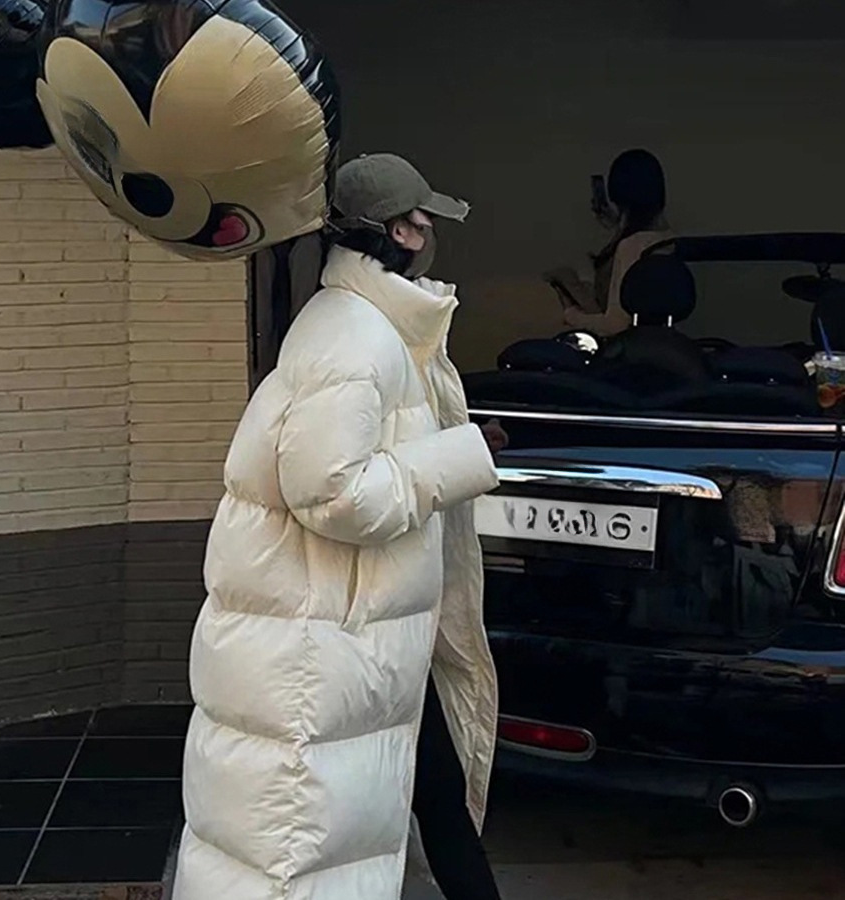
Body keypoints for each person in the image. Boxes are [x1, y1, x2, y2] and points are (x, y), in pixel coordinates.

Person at [172, 153, 505, 900]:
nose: (433, 235)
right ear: (402, 231)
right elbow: (332, 492)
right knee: (297, 852)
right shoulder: (357, 337)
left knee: (434, 794)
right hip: (326, 648)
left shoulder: (365, 323)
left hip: (358, 637)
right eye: (425, 221)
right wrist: (460, 457)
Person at [547, 148, 671, 337]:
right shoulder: (669, 240)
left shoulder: (632, 246)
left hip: (630, 347)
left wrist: (571, 314)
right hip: (665, 343)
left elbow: (616, 325)